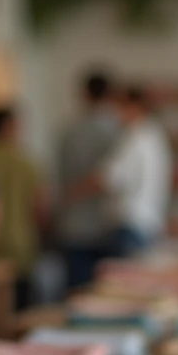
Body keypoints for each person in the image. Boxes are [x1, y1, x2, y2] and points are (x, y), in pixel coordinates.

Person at [64, 87, 172, 267]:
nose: (115, 114)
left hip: (129, 228)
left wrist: (70, 194)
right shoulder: (154, 135)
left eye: (119, 107)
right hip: (146, 226)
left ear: (134, 107)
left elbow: (107, 178)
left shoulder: (135, 139)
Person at [57, 72, 120, 289]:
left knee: (77, 295)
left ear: (84, 94)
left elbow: (60, 176)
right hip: (108, 225)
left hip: (75, 225)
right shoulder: (118, 131)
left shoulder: (69, 131)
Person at [0, 107, 47, 309]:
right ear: (8, 127)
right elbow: (39, 207)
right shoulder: (26, 162)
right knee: (19, 311)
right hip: (20, 247)